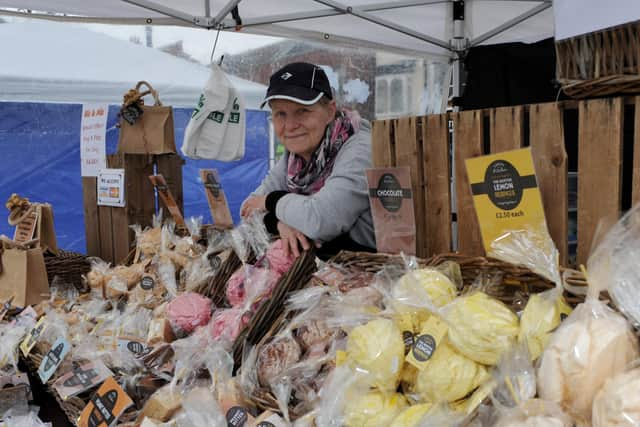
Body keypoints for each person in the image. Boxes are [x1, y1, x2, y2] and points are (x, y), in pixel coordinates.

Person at [240, 62, 375, 259]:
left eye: (302, 111)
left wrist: (271, 201)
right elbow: (247, 210)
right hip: (325, 275)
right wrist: (279, 223)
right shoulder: (294, 160)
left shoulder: (360, 149)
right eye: (280, 114)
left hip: (375, 276)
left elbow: (322, 221)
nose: (290, 125)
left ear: (330, 111)